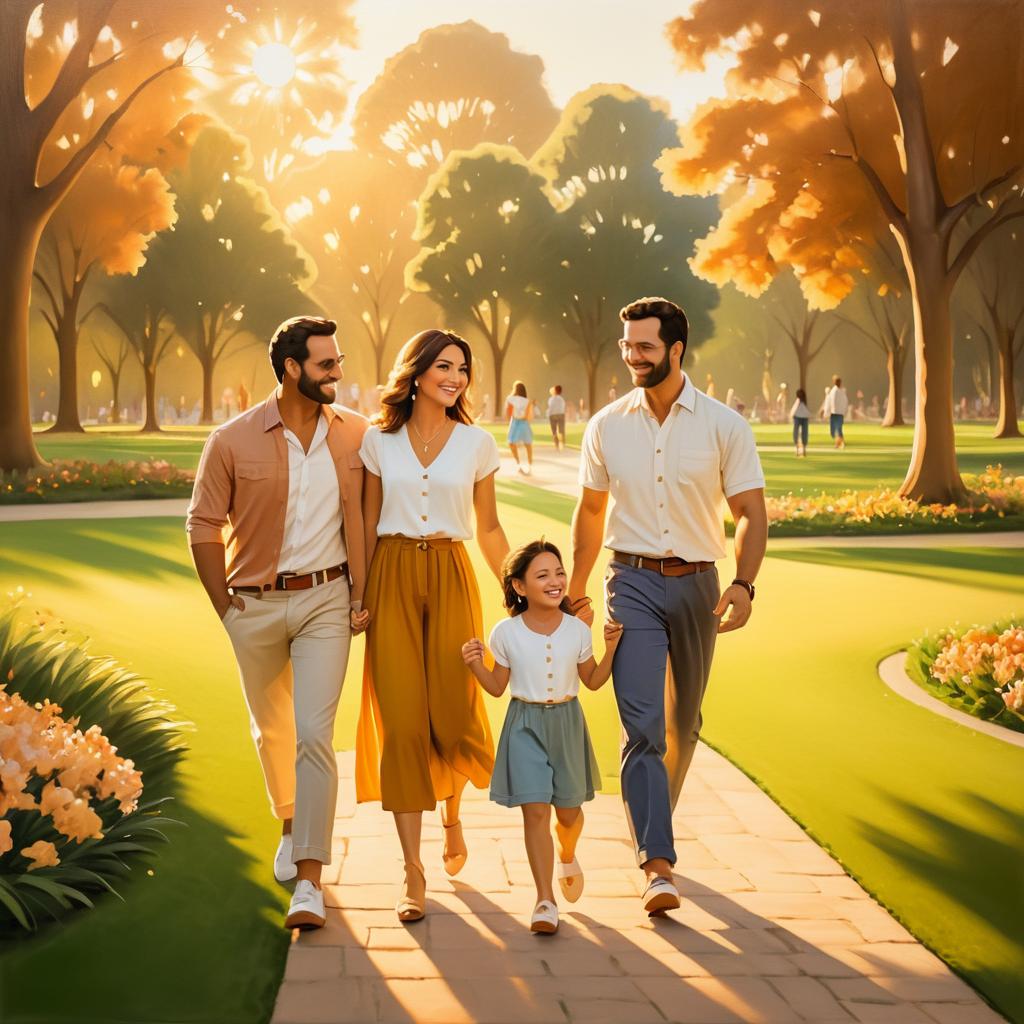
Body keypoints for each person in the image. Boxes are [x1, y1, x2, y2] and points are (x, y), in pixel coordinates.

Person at [567, 296, 767, 916]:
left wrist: (744, 583)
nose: (632, 357)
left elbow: (750, 514)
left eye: (645, 347)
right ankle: (658, 865)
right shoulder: (606, 425)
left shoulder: (723, 426)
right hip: (630, 583)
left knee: (685, 726)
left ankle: (650, 822)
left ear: (676, 350)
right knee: (643, 728)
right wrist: (575, 591)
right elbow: (591, 513)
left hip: (700, 585)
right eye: (628, 346)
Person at [187, 316, 370, 931]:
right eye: (326, 364)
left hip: (327, 600)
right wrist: (224, 606)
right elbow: (203, 524)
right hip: (254, 604)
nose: (338, 373)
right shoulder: (231, 440)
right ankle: (291, 825)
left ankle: (311, 881)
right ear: (291, 368)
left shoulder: (356, 435)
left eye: (338, 361)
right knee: (274, 733)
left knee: (316, 734)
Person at [355, 329, 511, 924]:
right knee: (402, 721)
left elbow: (489, 527)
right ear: (417, 372)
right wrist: (358, 593)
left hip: (451, 573)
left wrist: (517, 589)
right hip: (391, 575)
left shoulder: (477, 443)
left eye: (463, 369)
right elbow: (368, 523)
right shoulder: (378, 441)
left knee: (451, 709)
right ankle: (412, 870)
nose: (455, 377)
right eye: (444, 365)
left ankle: (452, 810)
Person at [462, 539, 621, 934]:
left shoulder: (577, 631)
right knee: (535, 811)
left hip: (567, 723)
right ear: (519, 586)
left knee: (568, 813)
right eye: (543, 575)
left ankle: (567, 850)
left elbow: (595, 681)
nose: (556, 581)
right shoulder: (505, 633)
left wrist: (612, 647)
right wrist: (474, 666)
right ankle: (543, 900)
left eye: (559, 572)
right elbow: (498, 686)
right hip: (524, 725)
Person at [505, 381, 534, 474]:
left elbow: (508, 413)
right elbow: (527, 416)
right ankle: (529, 465)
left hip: (515, 422)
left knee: (511, 443)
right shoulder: (527, 401)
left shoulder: (510, 399)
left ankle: (519, 464)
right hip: (523, 423)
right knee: (528, 444)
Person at [824, 375, 849, 448]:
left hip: (839, 414)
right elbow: (829, 402)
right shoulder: (833, 391)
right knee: (833, 431)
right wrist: (827, 412)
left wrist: (844, 411)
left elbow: (845, 402)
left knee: (839, 428)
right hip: (834, 414)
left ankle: (840, 443)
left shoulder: (841, 392)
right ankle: (839, 442)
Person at [790, 388, 811, 457]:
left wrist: (792, 415)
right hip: (800, 418)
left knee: (801, 433)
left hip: (801, 418)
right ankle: (800, 449)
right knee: (801, 433)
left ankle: (801, 449)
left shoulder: (803, 402)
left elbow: (793, 410)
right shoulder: (800, 401)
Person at [547, 385, 567, 451]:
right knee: (561, 430)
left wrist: (548, 415)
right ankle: (563, 444)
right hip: (561, 415)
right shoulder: (562, 399)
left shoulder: (551, 399)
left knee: (554, 431)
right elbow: (563, 408)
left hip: (552, 415)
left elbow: (550, 408)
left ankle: (557, 444)